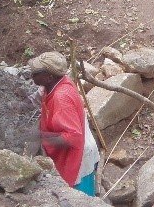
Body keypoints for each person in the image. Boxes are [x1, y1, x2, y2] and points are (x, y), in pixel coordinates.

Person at [28, 51, 100, 195]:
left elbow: (72, 137)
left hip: (77, 156)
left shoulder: (61, 98)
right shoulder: (57, 84)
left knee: (79, 197)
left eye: (36, 73)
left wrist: (40, 137)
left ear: (49, 77)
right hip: (80, 147)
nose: (32, 75)